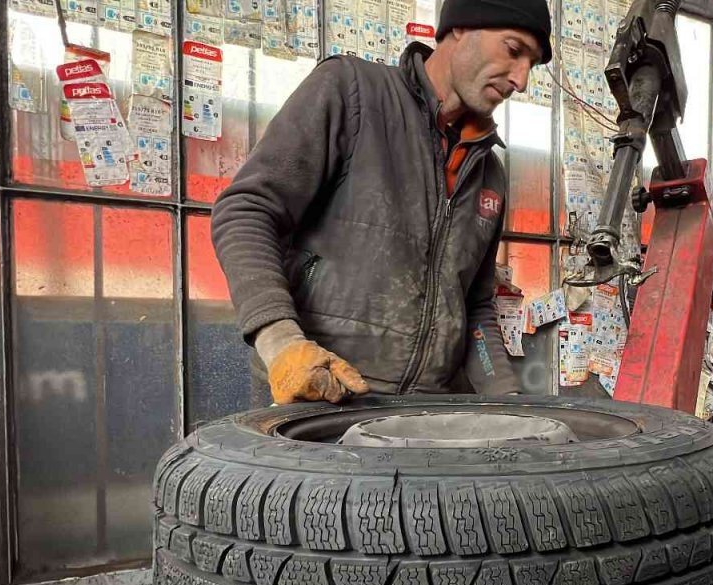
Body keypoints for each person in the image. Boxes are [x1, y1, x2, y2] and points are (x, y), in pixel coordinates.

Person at [212, 0, 551, 405]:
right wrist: (281, 343)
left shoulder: (488, 171)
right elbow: (247, 211)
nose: (522, 80)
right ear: (460, 28)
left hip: (425, 417)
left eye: (531, 64)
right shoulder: (352, 93)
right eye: (514, 51)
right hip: (320, 403)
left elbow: (475, 306)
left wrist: (509, 402)